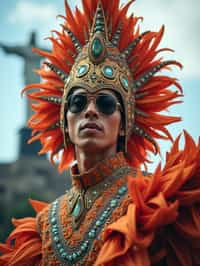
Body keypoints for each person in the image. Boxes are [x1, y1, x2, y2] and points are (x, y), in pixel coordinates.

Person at [0, 0, 200, 265]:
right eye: (78, 102)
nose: (90, 111)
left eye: (105, 103)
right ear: (65, 122)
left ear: (124, 124)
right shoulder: (43, 226)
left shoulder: (160, 202)